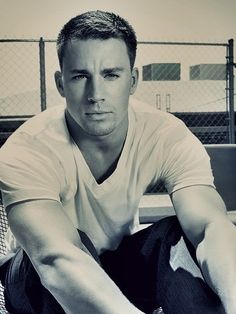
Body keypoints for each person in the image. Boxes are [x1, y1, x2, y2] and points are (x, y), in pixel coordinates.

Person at [0, 10, 236, 314]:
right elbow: (54, 258)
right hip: (36, 281)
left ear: (133, 80)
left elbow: (209, 227)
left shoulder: (166, 135)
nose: (96, 94)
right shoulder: (27, 148)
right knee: (72, 245)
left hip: (118, 269)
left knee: (175, 236)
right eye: (80, 76)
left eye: (111, 75)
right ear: (61, 83)